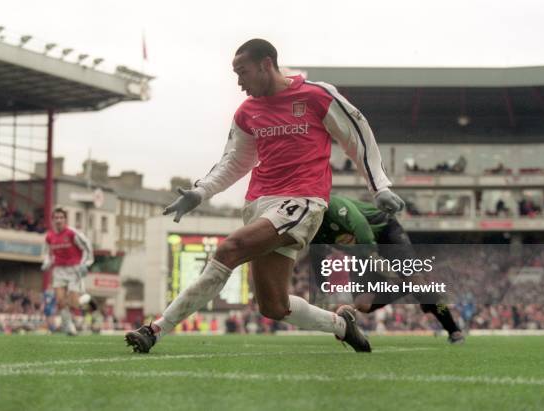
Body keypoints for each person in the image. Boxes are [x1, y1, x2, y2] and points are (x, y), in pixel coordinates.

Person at [125, 38, 404, 353]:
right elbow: (235, 161)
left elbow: (358, 136)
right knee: (273, 306)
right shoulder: (247, 112)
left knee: (230, 249)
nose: (239, 82)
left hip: (302, 202)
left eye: (242, 72)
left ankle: (155, 329)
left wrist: (379, 185)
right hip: (260, 204)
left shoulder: (316, 96)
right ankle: (342, 325)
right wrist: (200, 192)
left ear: (266, 64)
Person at [310, 194, 464, 343]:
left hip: (387, 233)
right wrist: (322, 287)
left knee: (420, 286)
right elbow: (317, 256)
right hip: (362, 251)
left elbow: (360, 225)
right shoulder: (312, 228)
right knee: (364, 304)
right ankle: (410, 287)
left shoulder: (335, 206)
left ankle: (453, 329)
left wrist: (379, 263)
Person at [42, 207, 95, 336]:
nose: (58, 220)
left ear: (65, 219)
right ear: (53, 220)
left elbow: (87, 247)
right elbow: (47, 253)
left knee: (73, 303)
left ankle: (86, 299)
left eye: (61, 217)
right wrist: (47, 262)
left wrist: (86, 264)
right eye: (56, 218)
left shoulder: (72, 233)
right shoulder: (49, 236)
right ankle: (69, 327)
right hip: (59, 270)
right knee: (60, 301)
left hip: (74, 270)